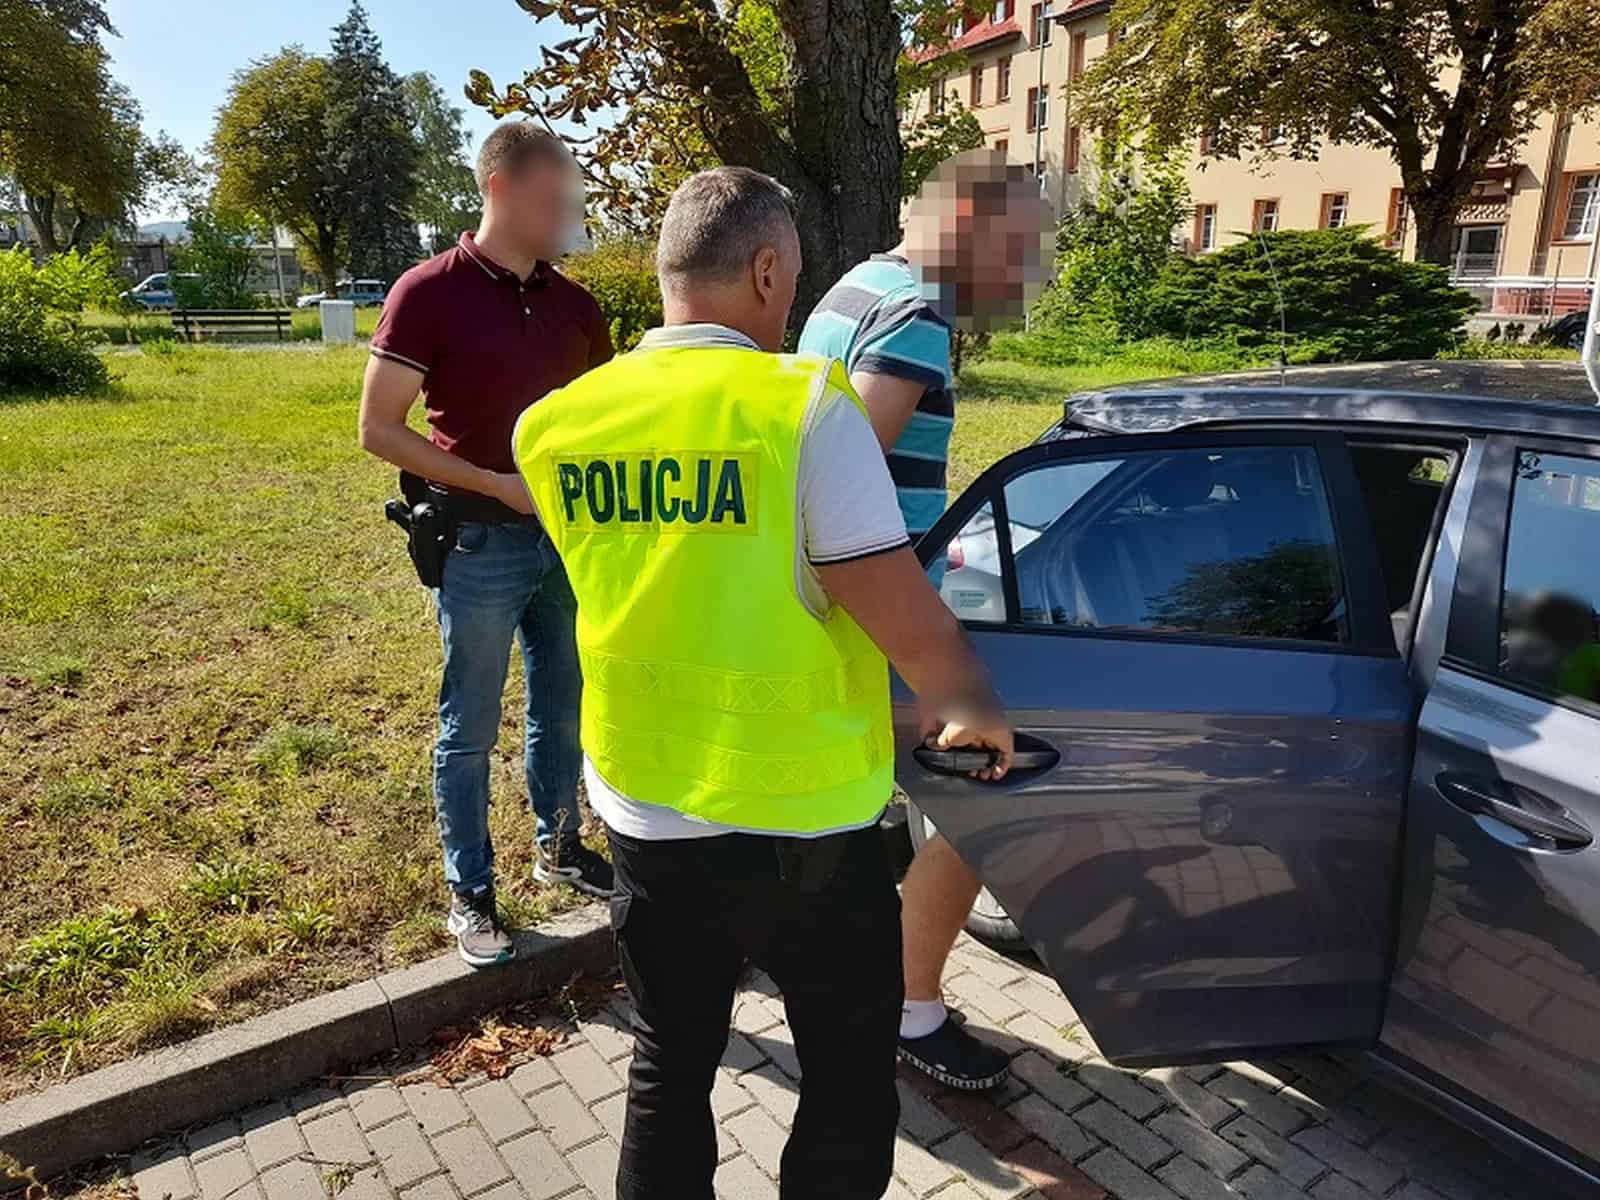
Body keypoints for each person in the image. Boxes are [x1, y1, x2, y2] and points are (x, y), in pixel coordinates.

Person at [512, 166, 1015, 1200]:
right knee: (844, 1075)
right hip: (805, 817)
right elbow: (891, 605)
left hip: (648, 801)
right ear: (768, 269)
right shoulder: (803, 409)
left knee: (669, 1060)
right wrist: (972, 705)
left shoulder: (555, 422)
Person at [798, 148, 1053, 1090]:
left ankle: (843, 968)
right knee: (981, 795)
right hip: (879, 602)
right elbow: (847, 467)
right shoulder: (913, 312)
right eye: (1013, 249)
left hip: (835, 598)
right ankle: (908, 1010)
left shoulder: (850, 289)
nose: (1014, 272)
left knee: (861, 804)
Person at [358, 123, 616, 970]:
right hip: (475, 542)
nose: (569, 213)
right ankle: (470, 891)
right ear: (500, 188)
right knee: (467, 725)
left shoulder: (577, 306)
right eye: (555, 198)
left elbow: (603, 421)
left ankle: (559, 846)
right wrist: (494, 484)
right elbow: (379, 429)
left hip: (565, 543)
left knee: (563, 706)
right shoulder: (427, 292)